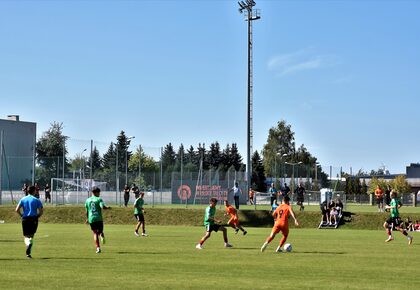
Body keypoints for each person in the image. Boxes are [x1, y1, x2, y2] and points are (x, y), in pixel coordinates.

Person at [15, 185, 43, 258]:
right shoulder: (36, 200)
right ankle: (28, 252)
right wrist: (37, 216)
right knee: (31, 236)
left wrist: (22, 215)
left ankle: (28, 253)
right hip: (34, 219)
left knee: (26, 236)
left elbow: (17, 210)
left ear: (27, 191)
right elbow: (41, 211)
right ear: (34, 191)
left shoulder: (23, 199)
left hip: (25, 218)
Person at [85, 187, 111, 254]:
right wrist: (108, 207)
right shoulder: (99, 199)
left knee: (95, 233)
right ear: (96, 192)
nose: (99, 194)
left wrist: (87, 218)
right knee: (100, 231)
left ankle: (98, 248)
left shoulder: (87, 200)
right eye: (99, 193)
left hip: (91, 218)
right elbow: (102, 207)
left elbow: (87, 211)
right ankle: (101, 234)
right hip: (98, 218)